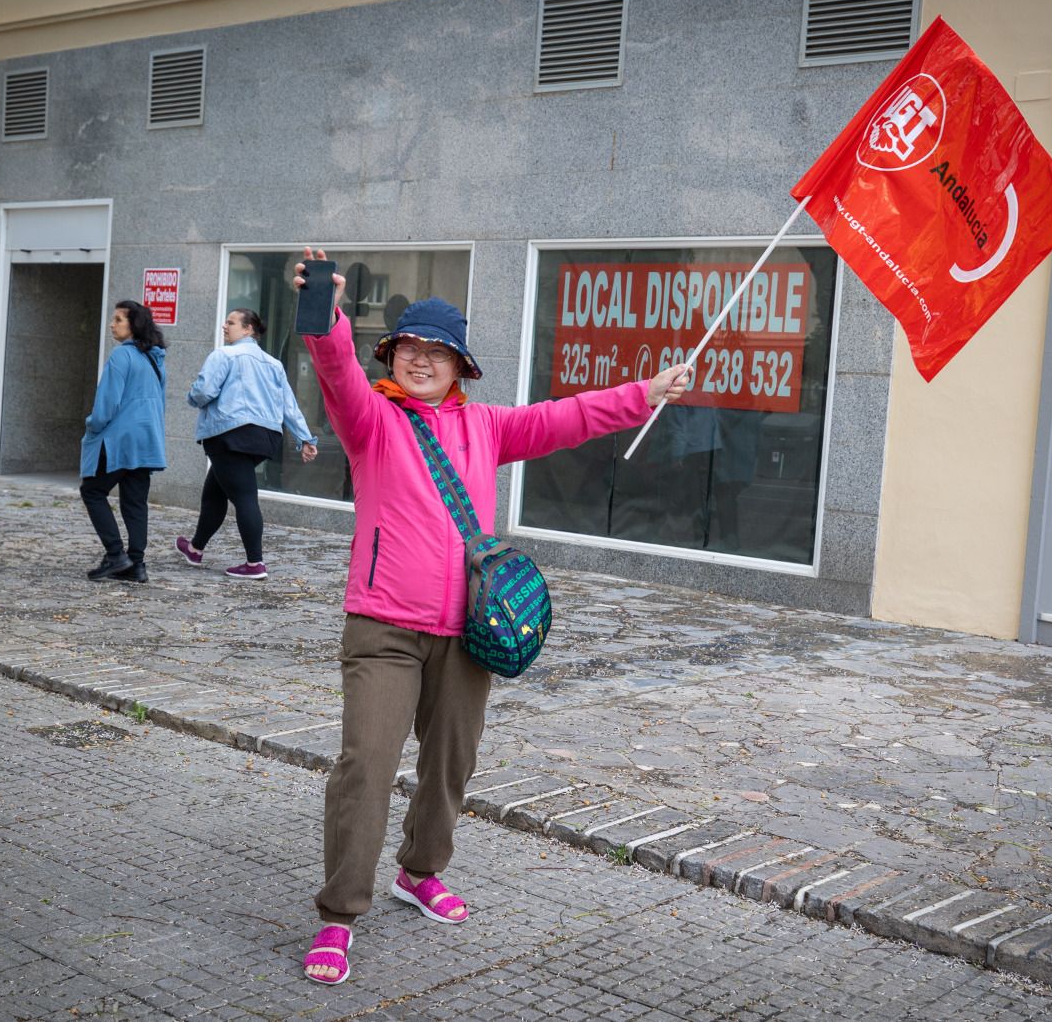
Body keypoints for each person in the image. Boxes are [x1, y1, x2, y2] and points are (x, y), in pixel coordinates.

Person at [292, 248, 690, 986]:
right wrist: (322, 310)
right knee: (366, 767)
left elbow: (565, 418)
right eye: (411, 347)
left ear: (459, 366)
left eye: (437, 352)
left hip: (468, 630)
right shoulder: (373, 421)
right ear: (395, 353)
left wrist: (645, 392)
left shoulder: (489, 428)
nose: (422, 359)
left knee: (450, 766)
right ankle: (340, 913)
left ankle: (420, 871)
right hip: (383, 627)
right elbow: (336, 370)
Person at [176, 308, 320, 578]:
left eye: (231, 322)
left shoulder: (224, 355)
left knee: (244, 497)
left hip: (229, 434)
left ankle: (255, 564)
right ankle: (195, 549)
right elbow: (288, 405)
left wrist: (192, 397)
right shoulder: (273, 364)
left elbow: (204, 391)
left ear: (248, 329)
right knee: (214, 491)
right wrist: (304, 438)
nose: (225, 326)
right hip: (264, 437)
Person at [79, 300, 168, 583]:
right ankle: (137, 565)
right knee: (135, 502)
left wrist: (92, 423)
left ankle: (116, 554)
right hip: (147, 439)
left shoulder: (121, 356)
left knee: (92, 491)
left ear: (133, 325)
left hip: (119, 439)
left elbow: (106, 404)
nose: (112, 324)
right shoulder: (155, 359)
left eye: (118, 319)